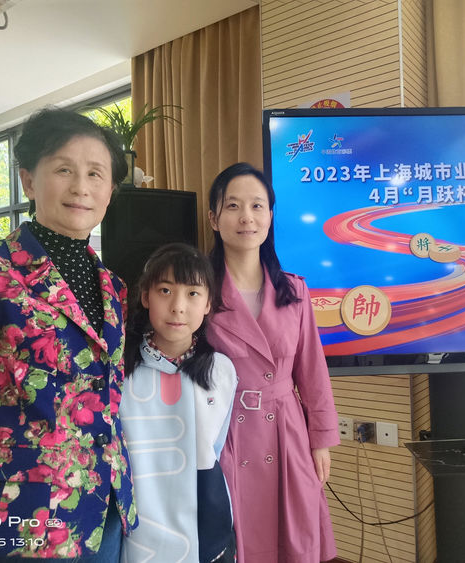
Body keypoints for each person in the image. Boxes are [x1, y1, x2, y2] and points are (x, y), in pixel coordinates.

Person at [0, 107, 137, 562]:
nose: (81, 187)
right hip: (20, 521)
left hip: (106, 511)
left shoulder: (113, 288)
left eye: (96, 174)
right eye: (64, 169)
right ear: (28, 181)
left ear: (111, 190)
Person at [205, 162, 340, 562]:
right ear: (214, 218)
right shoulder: (198, 290)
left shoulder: (294, 291)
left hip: (286, 431)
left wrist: (321, 440)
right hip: (225, 433)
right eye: (233, 206)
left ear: (270, 215)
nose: (246, 217)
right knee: (234, 537)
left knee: (291, 537)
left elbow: (313, 373)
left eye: (257, 206)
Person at [119, 242, 237, 563]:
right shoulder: (120, 369)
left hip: (205, 520)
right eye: (166, 291)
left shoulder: (221, 371)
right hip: (139, 520)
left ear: (208, 303)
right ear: (146, 296)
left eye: (193, 293)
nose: (178, 307)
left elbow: (216, 448)